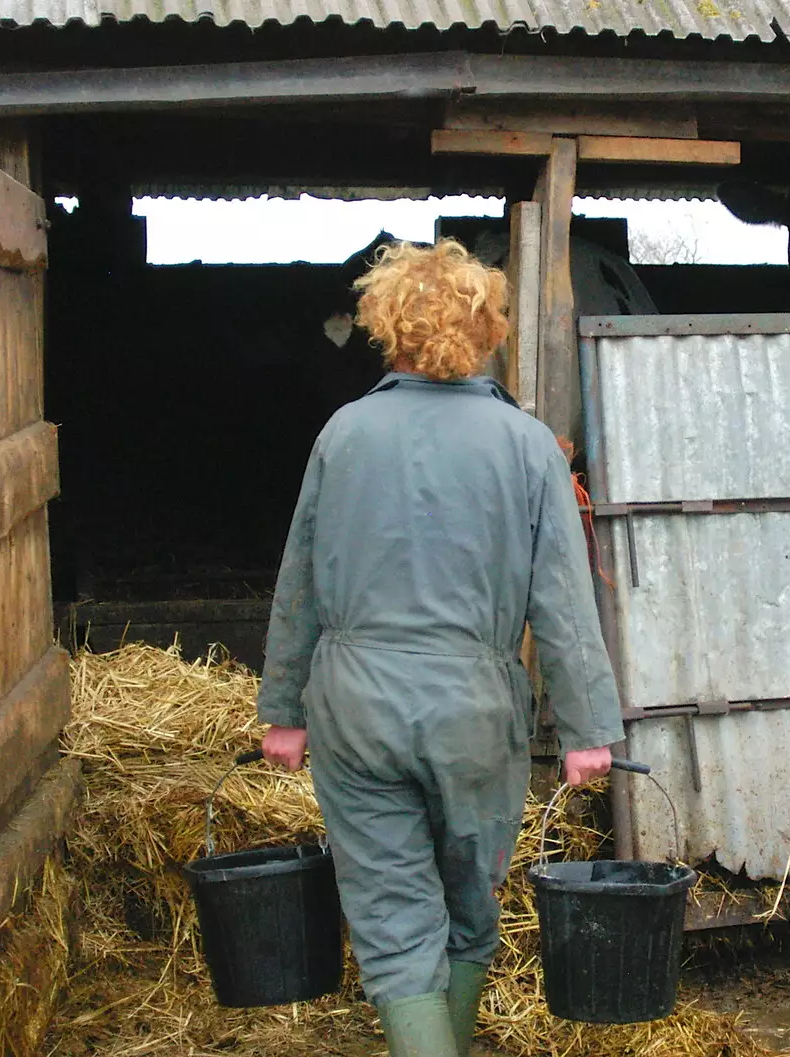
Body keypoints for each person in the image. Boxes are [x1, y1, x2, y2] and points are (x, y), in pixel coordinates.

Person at [254, 238, 624, 1057]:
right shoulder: (527, 445)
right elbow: (562, 599)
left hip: (355, 707)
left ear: (386, 327)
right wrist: (587, 729)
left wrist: (281, 709)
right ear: (489, 328)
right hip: (475, 711)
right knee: (470, 904)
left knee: (390, 911)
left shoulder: (343, 433)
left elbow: (301, 580)